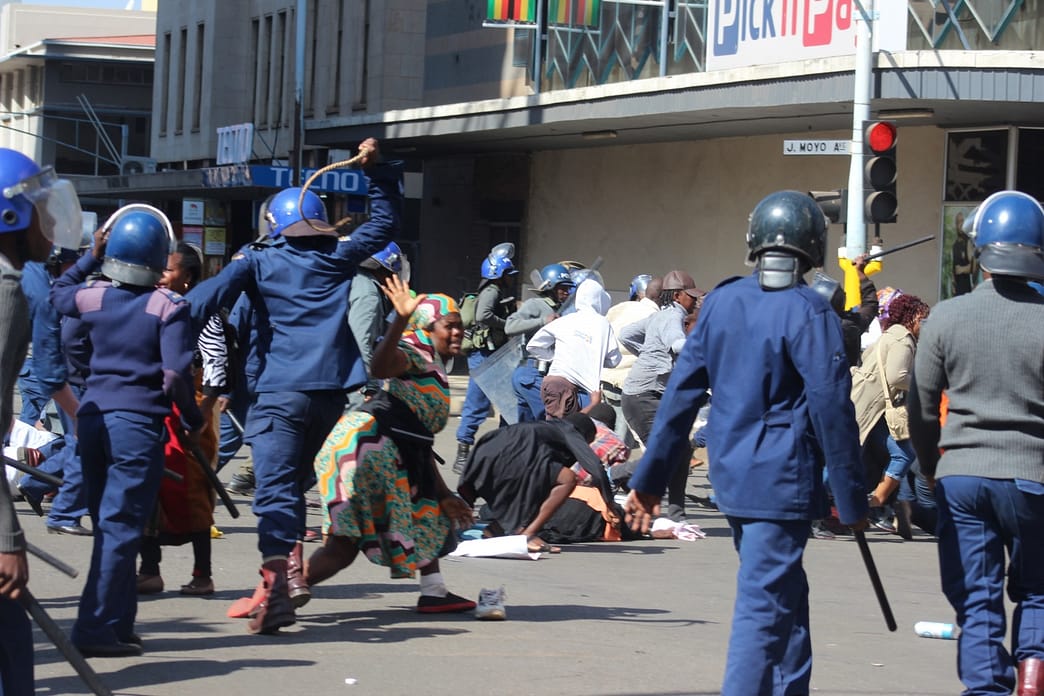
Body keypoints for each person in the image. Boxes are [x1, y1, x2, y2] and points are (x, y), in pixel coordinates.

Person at [624, 190, 868, 696]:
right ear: (812, 248)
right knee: (763, 607)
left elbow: (679, 399)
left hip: (734, 476)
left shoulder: (723, 302)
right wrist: (850, 496)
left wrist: (648, 481)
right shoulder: (809, 309)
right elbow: (831, 407)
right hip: (781, 484)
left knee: (786, 597)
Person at [187, 138, 400, 635]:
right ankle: (279, 584)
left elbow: (201, 303)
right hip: (330, 398)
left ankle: (278, 584)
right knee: (295, 487)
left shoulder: (258, 260)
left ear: (273, 227)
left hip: (279, 393)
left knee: (276, 495)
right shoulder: (339, 256)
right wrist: (379, 172)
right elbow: (386, 224)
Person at [50, 204, 205, 658]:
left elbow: (59, 295)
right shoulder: (167, 307)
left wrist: (89, 258)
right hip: (136, 425)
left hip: (93, 418)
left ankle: (119, 623)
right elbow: (176, 376)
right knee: (123, 529)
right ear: (160, 258)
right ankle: (94, 628)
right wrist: (192, 421)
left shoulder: (93, 297)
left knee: (109, 528)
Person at [909, 190, 1044, 696]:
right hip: (1034, 479)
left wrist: (928, 464)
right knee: (1038, 591)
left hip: (962, 476)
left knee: (978, 595)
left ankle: (986, 690)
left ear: (982, 251)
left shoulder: (945, 316)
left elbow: (921, 406)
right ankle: (1032, 683)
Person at [306, 279, 475, 613]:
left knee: (429, 509)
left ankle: (434, 591)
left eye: (461, 327)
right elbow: (381, 365)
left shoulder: (433, 359)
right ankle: (282, 589)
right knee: (344, 544)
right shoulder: (415, 346)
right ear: (428, 327)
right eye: (450, 326)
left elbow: (419, 440)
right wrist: (399, 320)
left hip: (388, 449)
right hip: (364, 448)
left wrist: (444, 494)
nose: (457, 333)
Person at [0, 147, 82, 694]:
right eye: (40, 210)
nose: (52, 224)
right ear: (11, 219)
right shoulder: (8, 290)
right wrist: (7, 538)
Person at [137, 242, 222, 597]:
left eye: (168, 270)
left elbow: (217, 368)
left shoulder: (205, 313)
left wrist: (199, 417)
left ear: (187, 277)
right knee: (147, 489)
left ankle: (202, 573)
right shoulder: (149, 305)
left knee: (192, 492)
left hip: (193, 405)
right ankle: (150, 570)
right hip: (153, 404)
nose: (161, 277)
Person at [15, 236, 92, 536]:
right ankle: (63, 510)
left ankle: (36, 480)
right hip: (64, 377)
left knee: (77, 442)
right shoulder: (49, 291)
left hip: (59, 375)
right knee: (82, 442)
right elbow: (59, 353)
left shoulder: (45, 282)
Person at [457, 412, 615, 553]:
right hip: (510, 461)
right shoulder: (570, 431)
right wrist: (609, 503)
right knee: (568, 479)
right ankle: (527, 535)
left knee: (542, 482)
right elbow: (595, 468)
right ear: (583, 434)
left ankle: (494, 530)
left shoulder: (543, 428)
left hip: (483, 456)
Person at [619, 269, 703, 522]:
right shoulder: (672, 317)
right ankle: (617, 474)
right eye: (691, 296)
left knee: (681, 449)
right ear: (677, 295)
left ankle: (677, 515)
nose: (695, 301)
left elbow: (625, 334)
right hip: (643, 396)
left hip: (649, 395)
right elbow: (678, 344)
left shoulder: (661, 315)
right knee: (671, 448)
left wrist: (650, 353)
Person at [849, 292, 930, 539]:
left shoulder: (889, 335)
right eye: (922, 318)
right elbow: (897, 376)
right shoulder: (903, 339)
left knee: (878, 456)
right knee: (904, 452)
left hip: (869, 407)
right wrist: (924, 384)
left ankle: (881, 503)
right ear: (912, 316)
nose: (924, 324)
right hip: (876, 410)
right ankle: (876, 500)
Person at [453, 243, 517, 472]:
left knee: (505, 401)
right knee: (477, 401)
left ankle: (499, 451)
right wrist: (507, 324)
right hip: (484, 354)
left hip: (492, 353)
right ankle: (463, 453)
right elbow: (483, 315)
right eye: (508, 273)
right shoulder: (491, 290)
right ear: (498, 274)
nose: (511, 278)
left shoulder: (495, 290)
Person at [526, 277, 620, 419]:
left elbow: (533, 346)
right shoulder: (602, 324)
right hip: (568, 389)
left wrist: (555, 356)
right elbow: (614, 360)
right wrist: (595, 358)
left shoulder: (566, 320)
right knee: (563, 431)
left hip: (553, 383)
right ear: (599, 300)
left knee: (562, 433)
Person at [504, 263, 574, 422]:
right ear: (550, 287)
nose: (566, 292)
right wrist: (543, 320)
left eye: (568, 288)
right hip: (532, 371)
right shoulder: (535, 305)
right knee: (550, 420)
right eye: (562, 287)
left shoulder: (562, 309)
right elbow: (510, 326)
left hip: (543, 373)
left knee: (524, 429)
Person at [601, 274, 661, 445]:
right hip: (631, 385)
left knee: (608, 435)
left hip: (607, 378)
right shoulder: (655, 315)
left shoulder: (618, 309)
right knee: (623, 441)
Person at [347, 240, 402, 410]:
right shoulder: (368, 294)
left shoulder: (352, 278)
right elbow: (360, 344)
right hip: (351, 381)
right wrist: (369, 387)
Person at [951, 211, 977, 296]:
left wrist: (962, 269)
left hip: (967, 288)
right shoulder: (955, 245)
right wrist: (953, 281)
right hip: (958, 288)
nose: (960, 224)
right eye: (958, 222)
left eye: (962, 221)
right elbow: (954, 266)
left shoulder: (969, 242)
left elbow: (974, 267)